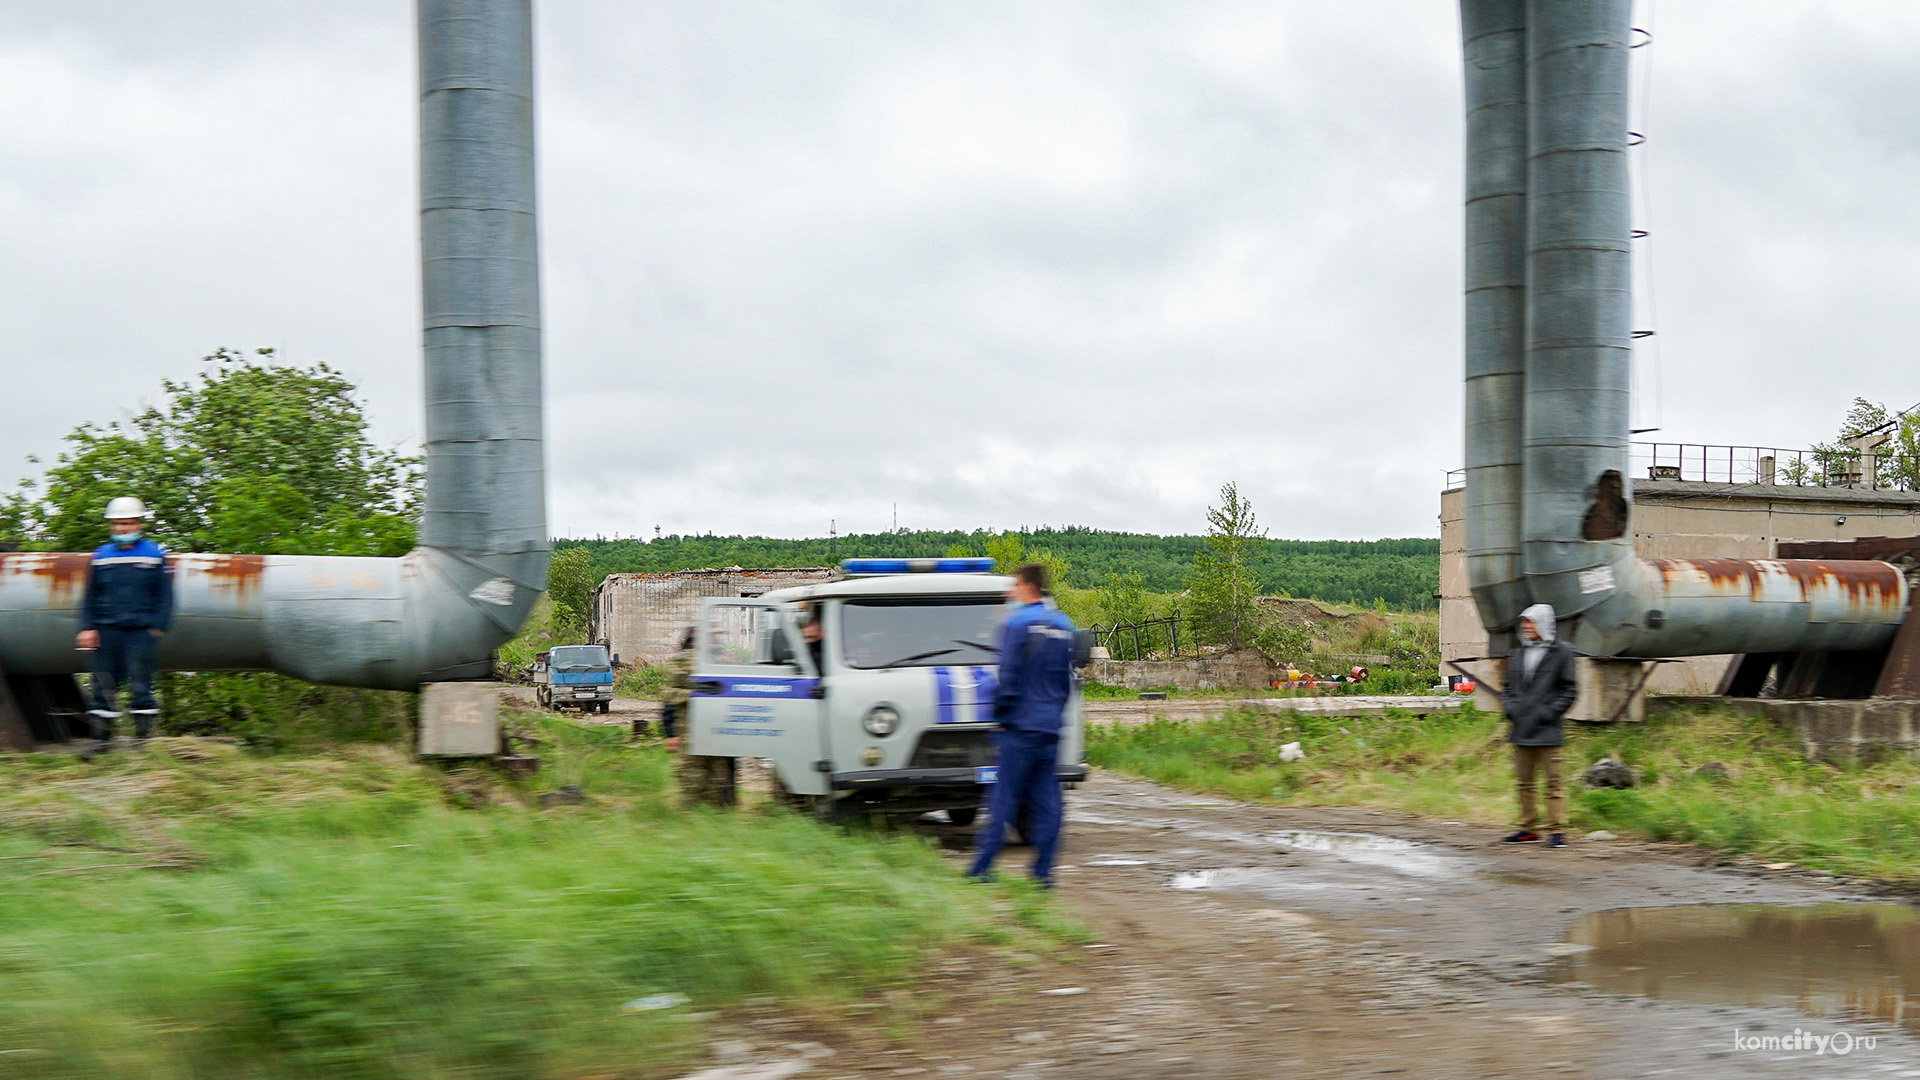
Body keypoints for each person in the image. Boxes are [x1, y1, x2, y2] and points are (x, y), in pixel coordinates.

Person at [968, 562, 1078, 887]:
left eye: (1013, 586)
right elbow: (1065, 682)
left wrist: (1000, 717)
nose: (1010, 593)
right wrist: (1054, 715)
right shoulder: (1063, 625)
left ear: (1027, 586)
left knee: (1002, 798)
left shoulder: (1016, 624)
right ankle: (1043, 874)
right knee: (1047, 803)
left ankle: (981, 869)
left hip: (1018, 727)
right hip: (1049, 728)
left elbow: (1009, 677)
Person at [76, 497, 174, 746]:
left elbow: (165, 594)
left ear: (139, 524)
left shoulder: (154, 554)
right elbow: (90, 595)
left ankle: (143, 741)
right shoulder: (100, 556)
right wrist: (87, 627)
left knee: (140, 684)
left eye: (128, 523)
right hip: (106, 631)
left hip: (140, 632)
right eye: (119, 524)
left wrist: (158, 625)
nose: (123, 529)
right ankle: (101, 740)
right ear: (112, 526)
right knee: (102, 684)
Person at [1500, 602, 1578, 848]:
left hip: (1548, 732)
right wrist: (1511, 709)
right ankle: (1528, 829)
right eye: (1524, 622)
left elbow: (1569, 690)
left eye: (1530, 622)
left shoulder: (1562, 652)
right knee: (1524, 784)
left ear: (1543, 623)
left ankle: (1557, 832)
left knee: (1553, 784)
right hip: (1521, 731)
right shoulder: (1520, 652)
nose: (1525, 627)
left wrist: (1546, 713)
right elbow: (1508, 688)